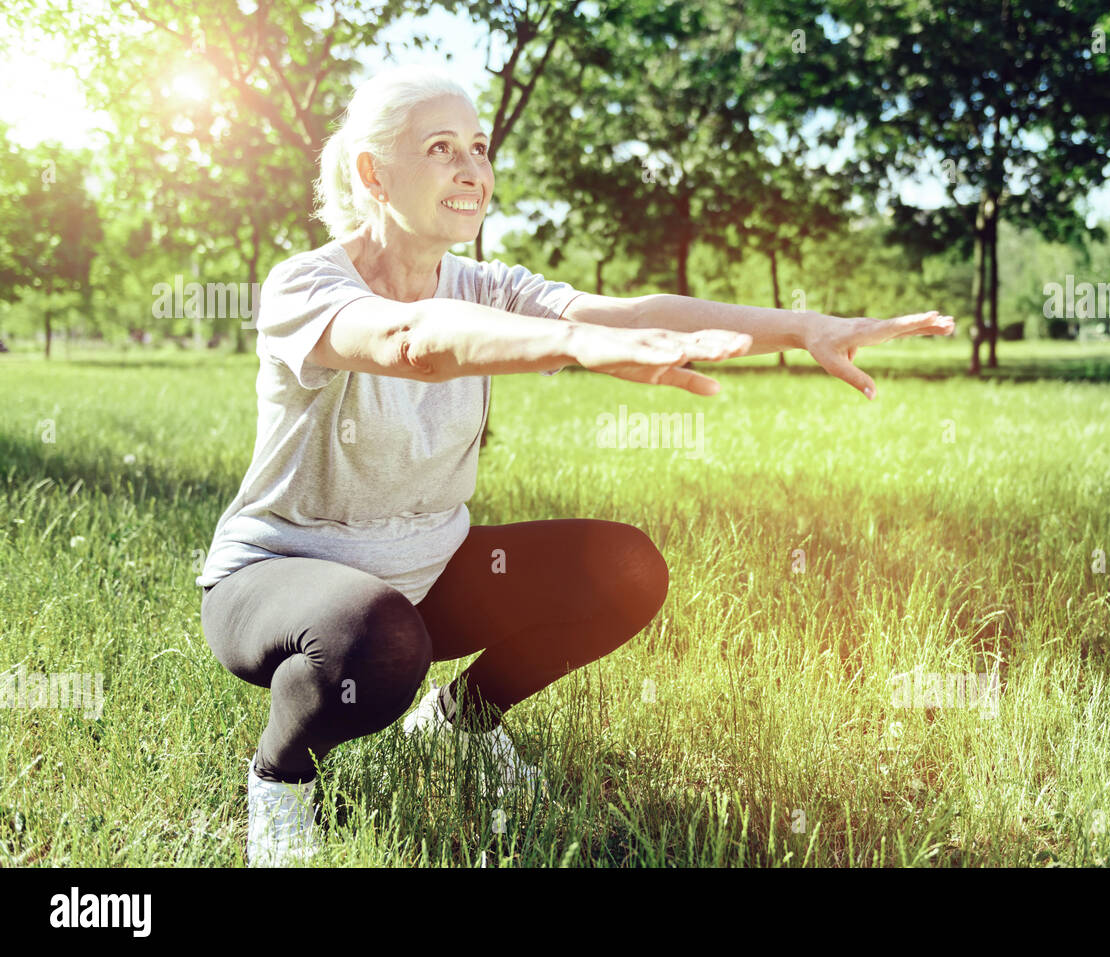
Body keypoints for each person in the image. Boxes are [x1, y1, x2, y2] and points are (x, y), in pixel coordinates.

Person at [196, 63, 954, 867]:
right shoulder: (305, 285)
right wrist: (576, 344)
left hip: (425, 570)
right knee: (376, 641)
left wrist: (800, 326)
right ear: (372, 173)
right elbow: (410, 343)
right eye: (441, 148)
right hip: (278, 580)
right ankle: (280, 781)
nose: (472, 170)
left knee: (624, 567)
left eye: (480, 148)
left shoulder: (487, 284)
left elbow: (633, 313)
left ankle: (461, 726)